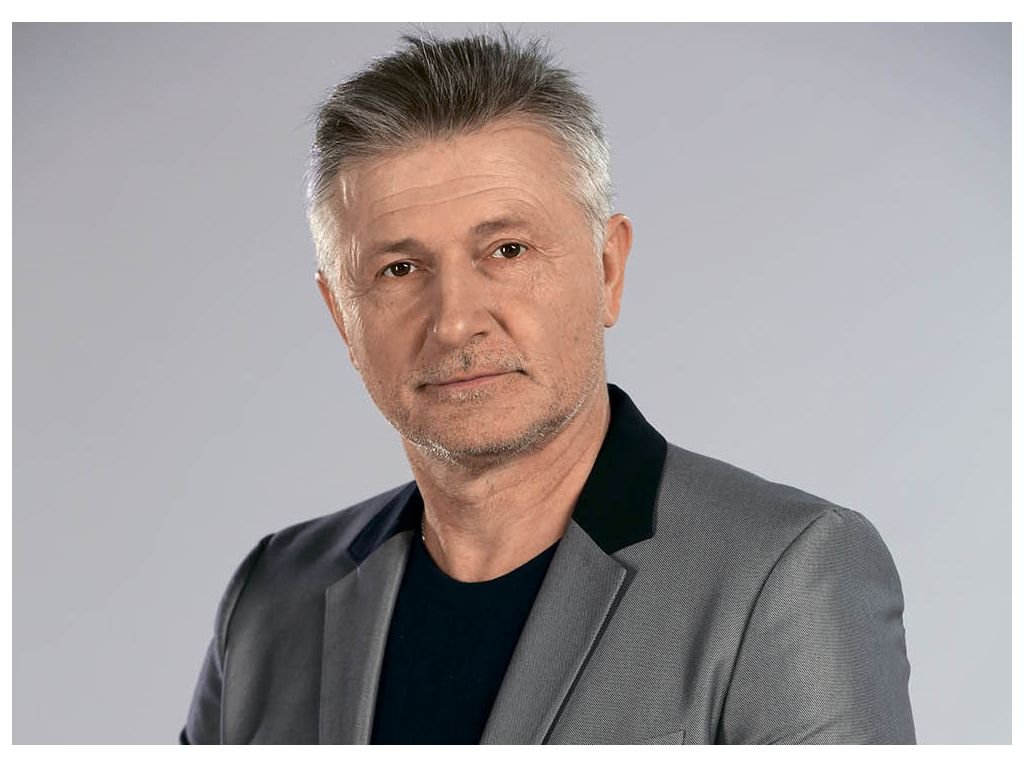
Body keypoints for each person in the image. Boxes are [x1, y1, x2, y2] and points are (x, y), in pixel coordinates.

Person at [181, 30, 915, 745]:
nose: (455, 322)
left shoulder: (784, 573)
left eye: (508, 250)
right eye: (398, 269)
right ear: (342, 315)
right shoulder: (270, 599)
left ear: (607, 270)